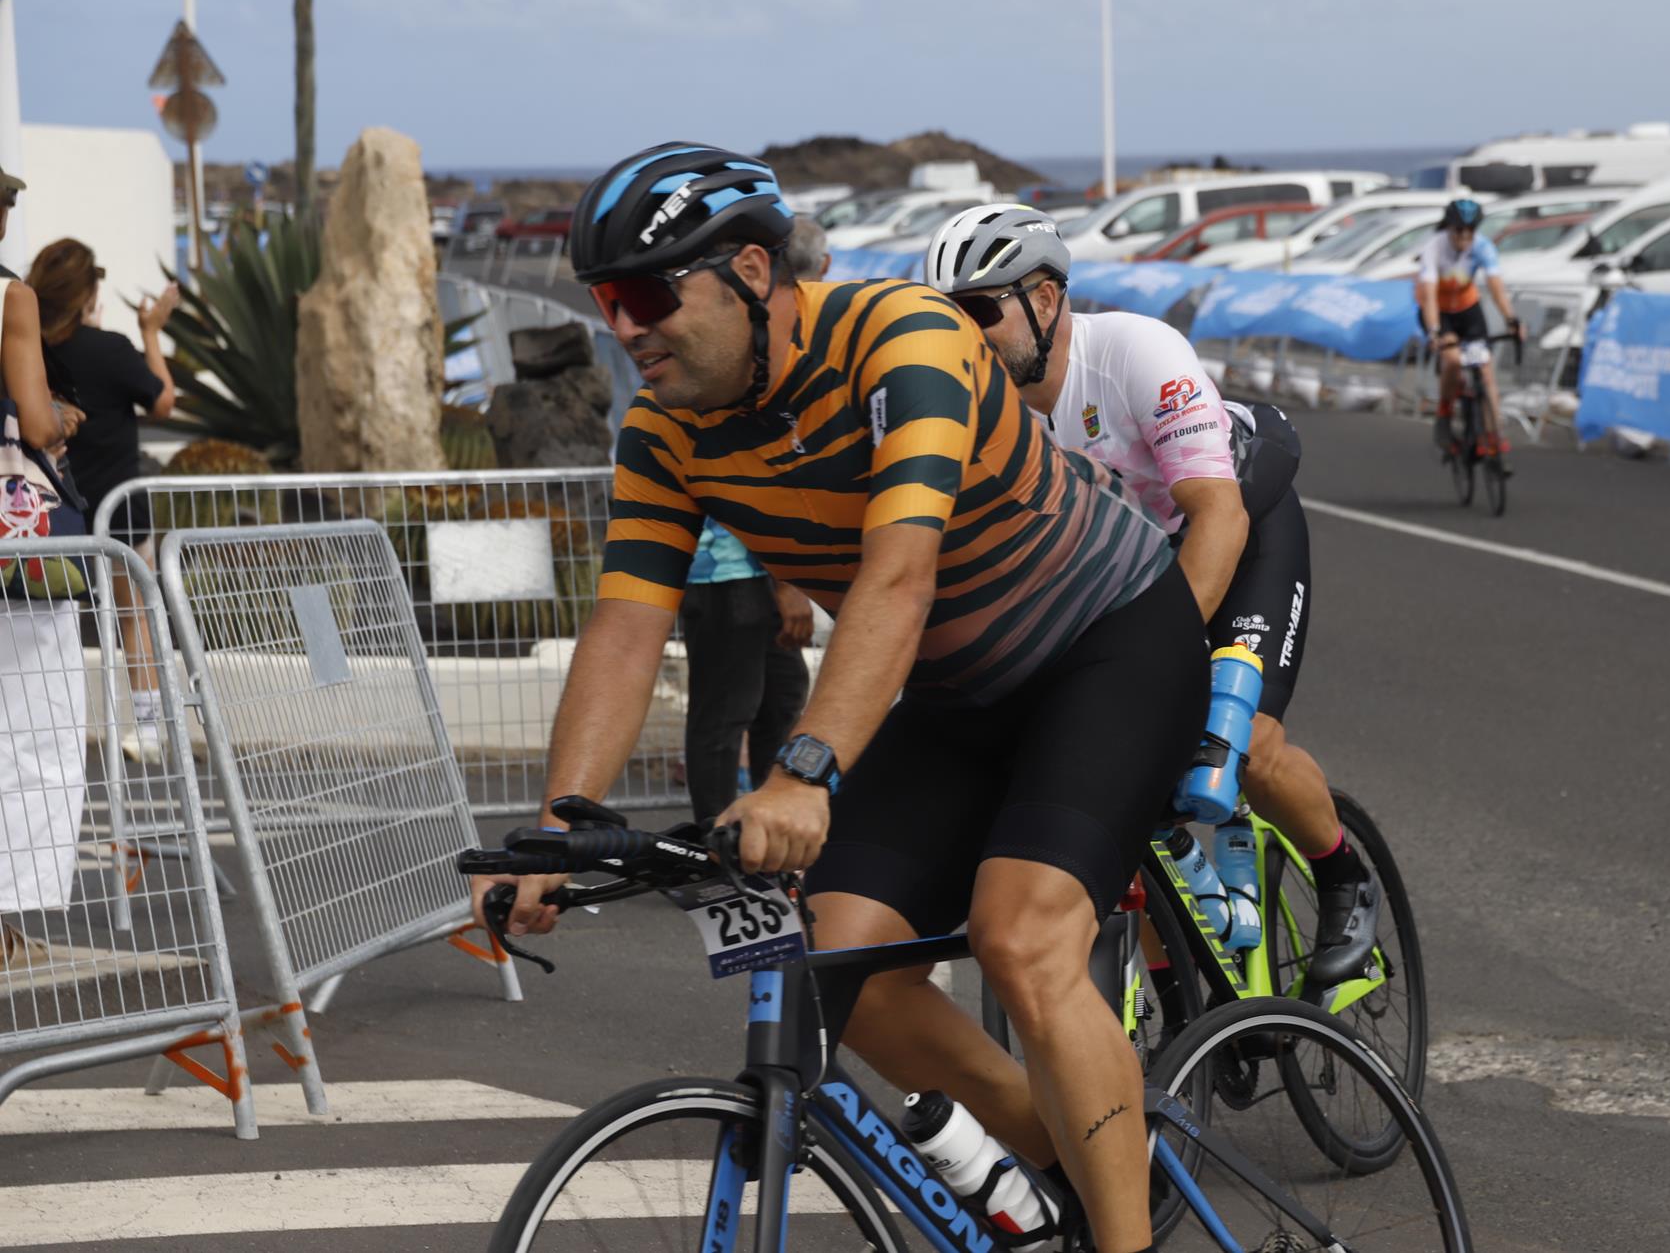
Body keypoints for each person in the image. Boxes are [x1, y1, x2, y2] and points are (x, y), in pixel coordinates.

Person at [472, 144, 1206, 1253]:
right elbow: (626, 626)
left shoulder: (905, 339)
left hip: (1107, 645)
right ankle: (1067, 1148)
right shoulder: (665, 432)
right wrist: (557, 824)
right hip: (963, 694)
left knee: (1019, 937)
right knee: (836, 962)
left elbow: (897, 574)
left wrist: (807, 768)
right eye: (604, 300)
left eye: (647, 293)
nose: (623, 327)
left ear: (755, 272)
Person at [921, 203, 1379, 990]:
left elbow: (1216, 514)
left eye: (980, 311)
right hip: (1126, 570)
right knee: (1121, 781)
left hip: (1237, 529)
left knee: (1247, 741)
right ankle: (1183, 992)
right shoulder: (971, 410)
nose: (966, 338)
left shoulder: (1135, 351)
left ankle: (1343, 877)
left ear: (1044, 297)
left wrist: (1149, 660)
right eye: (947, 319)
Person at [674, 219, 829, 817]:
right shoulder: (754, 353)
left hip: (745, 572)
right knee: (726, 712)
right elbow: (757, 481)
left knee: (779, 699)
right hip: (728, 573)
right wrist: (788, 584)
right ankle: (720, 853)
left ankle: (761, 834)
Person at [27, 239, 180, 761]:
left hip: (52, 510)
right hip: (121, 508)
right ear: (88, 293)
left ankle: (55, 728)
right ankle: (146, 726)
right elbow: (162, 399)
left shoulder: (27, 352)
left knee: (55, 619)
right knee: (134, 615)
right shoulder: (110, 350)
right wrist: (151, 332)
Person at [0, 167, 87, 972]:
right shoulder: (11, 297)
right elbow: (31, 422)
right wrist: (60, 415)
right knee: (34, 728)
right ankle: (2, 915)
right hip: (14, 551)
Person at [1417, 197, 1523, 463]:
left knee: (1485, 370)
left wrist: (1512, 319)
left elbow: (1496, 286)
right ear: (1449, 228)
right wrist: (1434, 332)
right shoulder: (1434, 248)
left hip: (1467, 310)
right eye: (1458, 230)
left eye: (1470, 231)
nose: (1464, 236)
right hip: (1439, 312)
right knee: (1452, 360)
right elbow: (1429, 296)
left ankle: (1493, 435)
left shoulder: (1483, 247)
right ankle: (1443, 416)